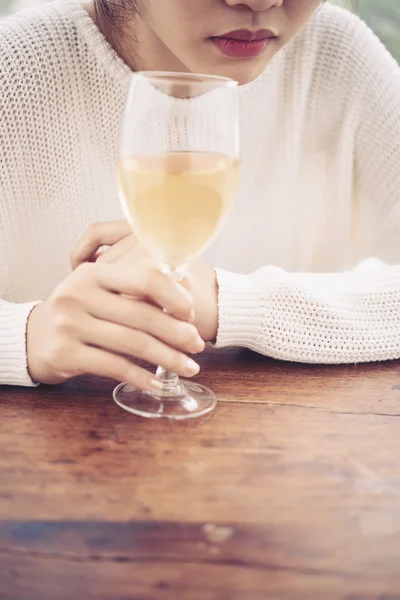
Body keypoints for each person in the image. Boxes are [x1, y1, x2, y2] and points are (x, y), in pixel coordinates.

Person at [0, 0, 399, 390]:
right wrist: (25, 335)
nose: (260, 1)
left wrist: (229, 302)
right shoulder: (14, 68)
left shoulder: (335, 54)